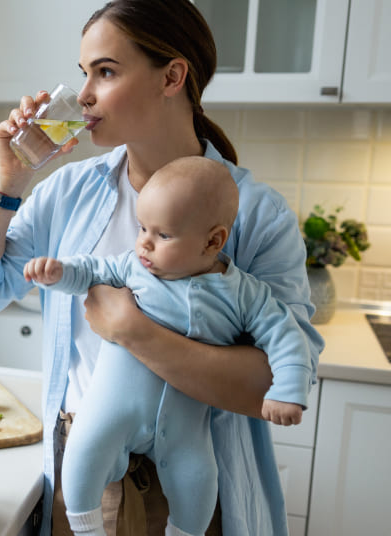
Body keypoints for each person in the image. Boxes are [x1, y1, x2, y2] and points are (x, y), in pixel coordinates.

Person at [0, 0, 324, 536]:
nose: (85, 96)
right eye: (83, 73)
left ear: (172, 77)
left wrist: (132, 330)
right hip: (85, 469)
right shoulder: (68, 191)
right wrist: (10, 180)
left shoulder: (254, 213)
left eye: (105, 72)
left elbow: (280, 379)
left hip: (198, 479)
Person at [23, 156, 312, 536]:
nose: (143, 241)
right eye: (142, 227)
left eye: (162, 235)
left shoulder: (243, 293)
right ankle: (86, 528)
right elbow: (90, 270)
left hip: (184, 429)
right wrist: (60, 273)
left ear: (213, 241)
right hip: (112, 413)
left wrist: (288, 391)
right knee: (83, 453)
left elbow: (286, 336)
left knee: (199, 481)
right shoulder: (132, 266)